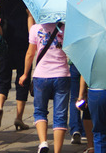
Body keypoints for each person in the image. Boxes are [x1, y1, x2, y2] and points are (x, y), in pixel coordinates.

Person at [20, 21, 71, 153]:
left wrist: (25, 74)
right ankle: (57, 151)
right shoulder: (67, 29)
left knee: (40, 111)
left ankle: (43, 143)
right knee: (60, 115)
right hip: (62, 75)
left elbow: (30, 54)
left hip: (41, 76)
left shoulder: (35, 29)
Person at [0, 0, 31, 132]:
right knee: (23, 80)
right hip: (22, 46)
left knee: (2, 79)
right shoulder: (25, 2)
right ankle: (19, 118)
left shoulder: (0, 2)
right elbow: (30, 22)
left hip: (4, 46)